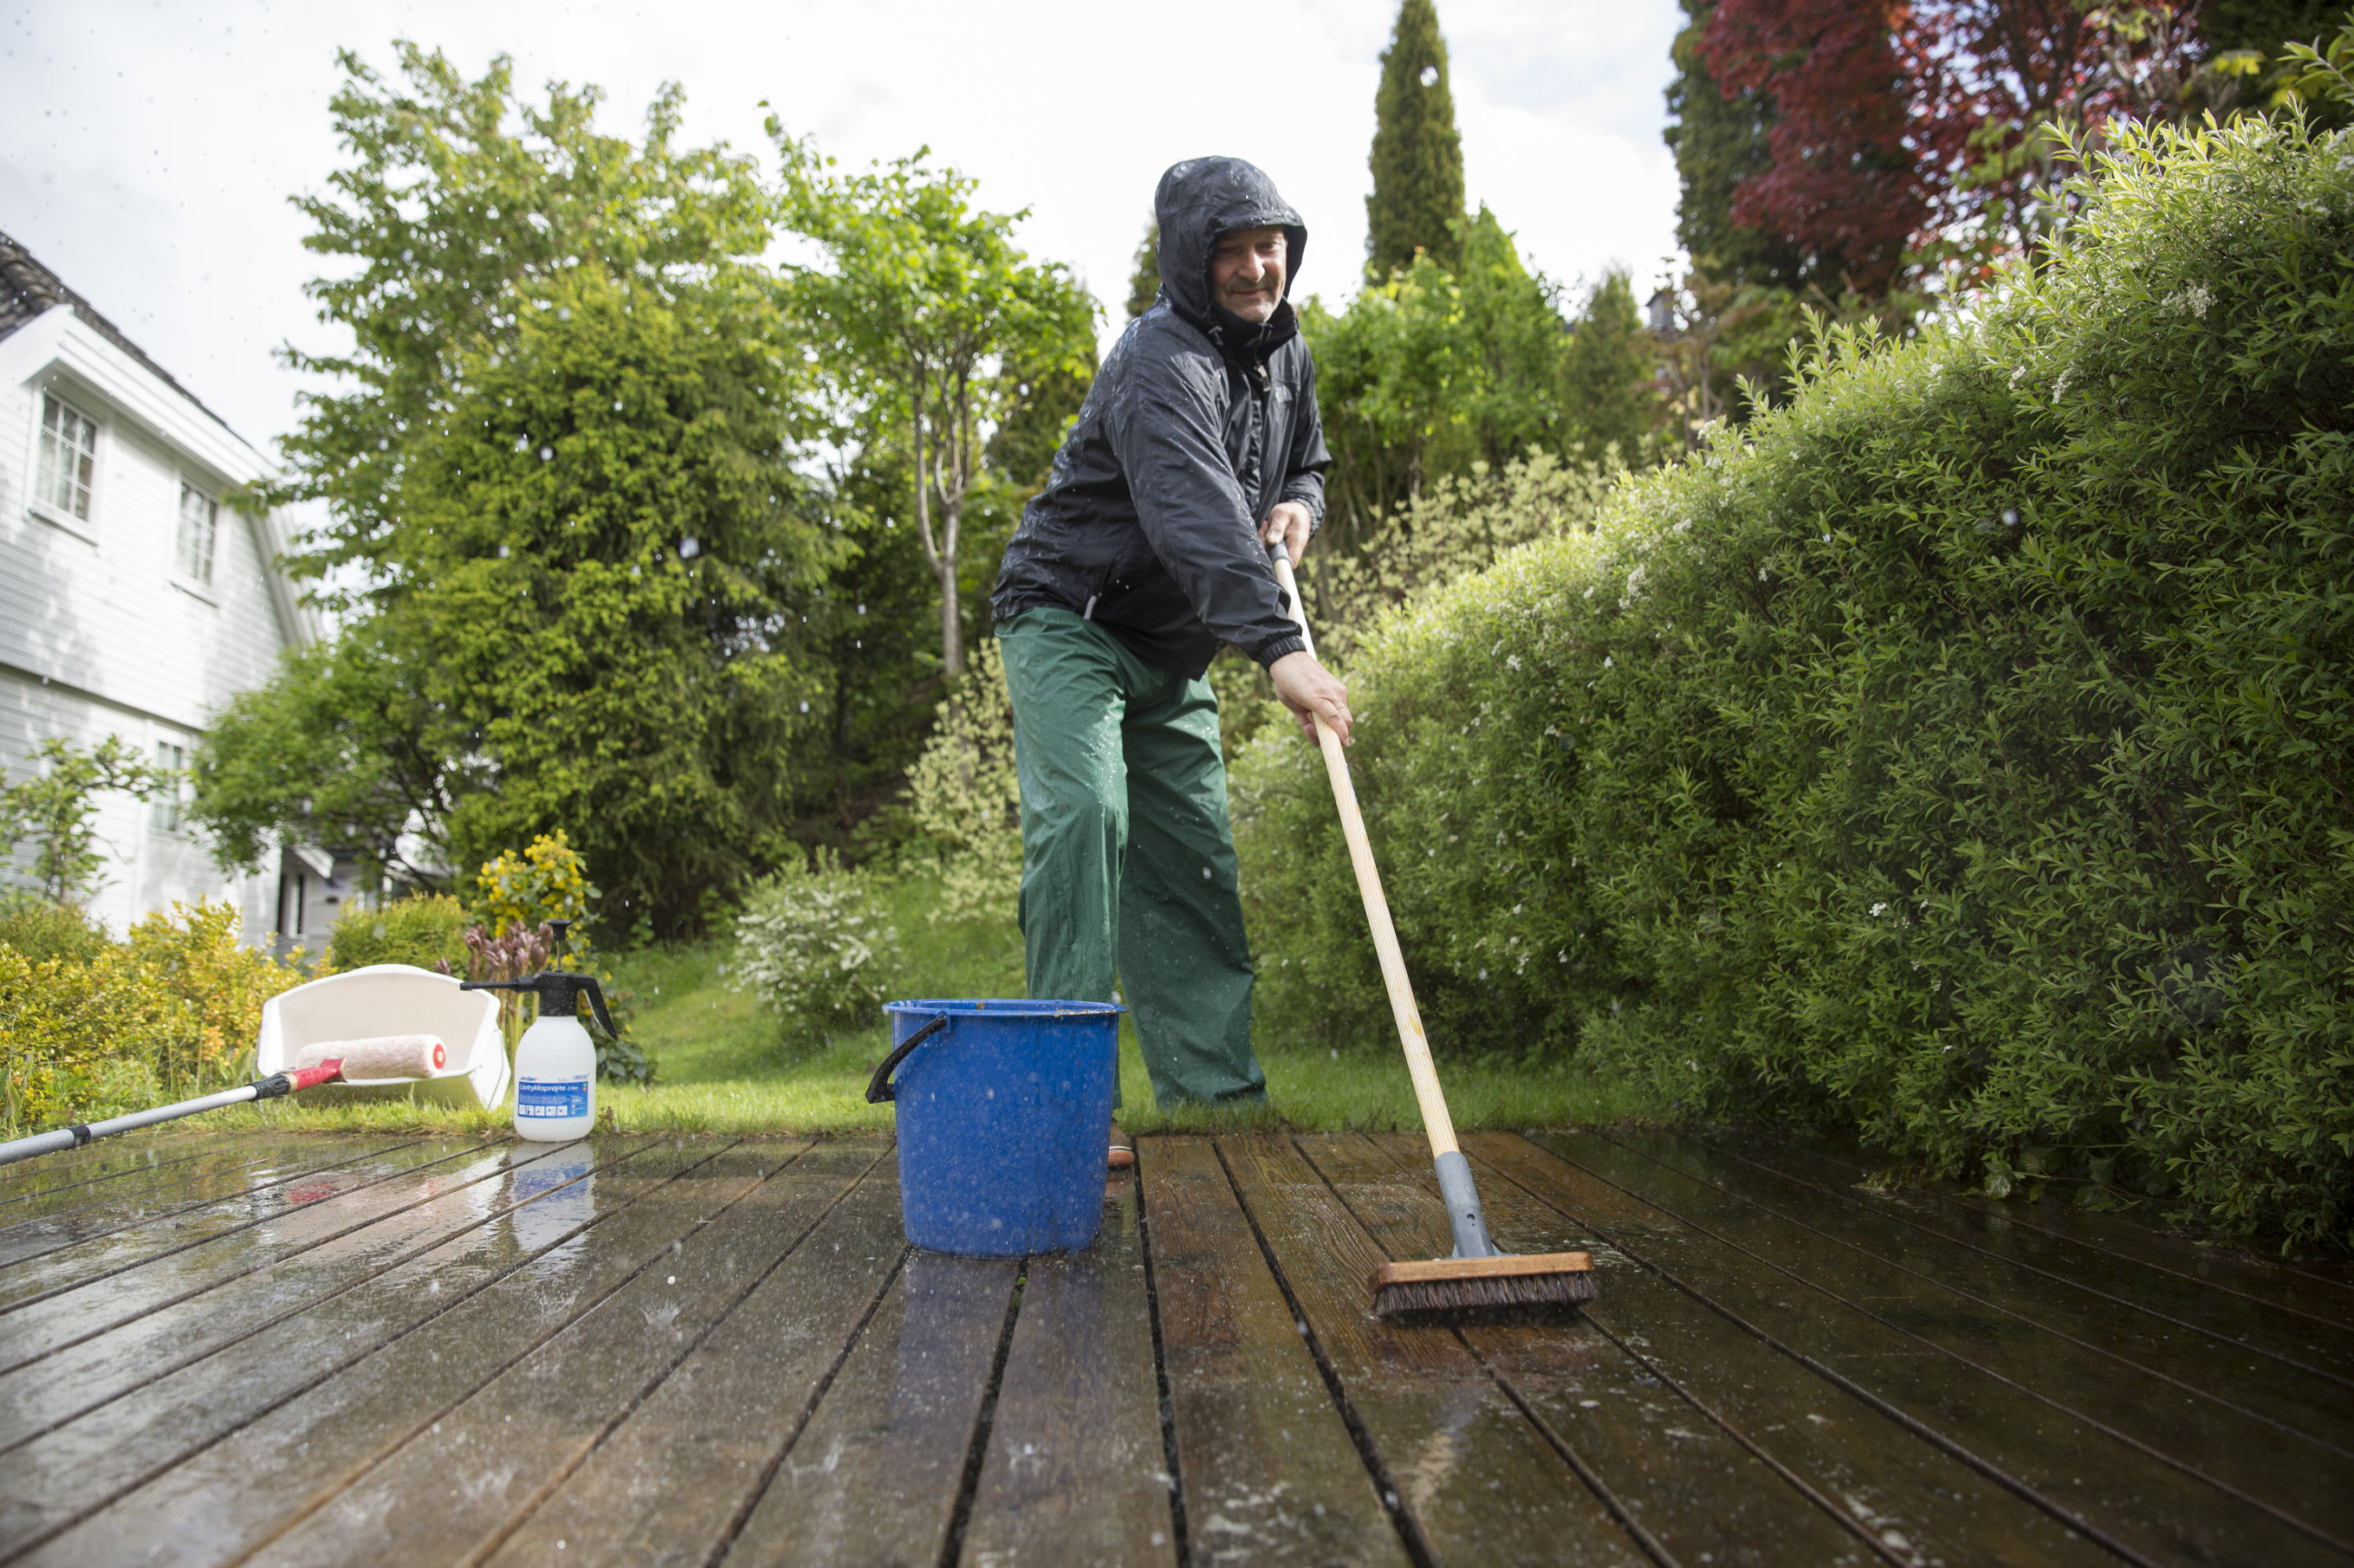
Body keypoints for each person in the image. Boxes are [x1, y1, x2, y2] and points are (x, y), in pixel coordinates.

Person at [989, 156, 1352, 1166]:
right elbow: (1194, 515)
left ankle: (1215, 1103)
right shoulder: (1157, 357)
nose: (1252, 268)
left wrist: (1302, 505)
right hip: (1070, 616)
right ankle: (1066, 1110)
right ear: (1190, 263)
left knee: (1192, 853)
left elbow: (1307, 462)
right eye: (1229, 251)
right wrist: (1277, 650)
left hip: (1169, 649)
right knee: (1089, 818)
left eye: (1267, 246)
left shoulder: (1286, 359)